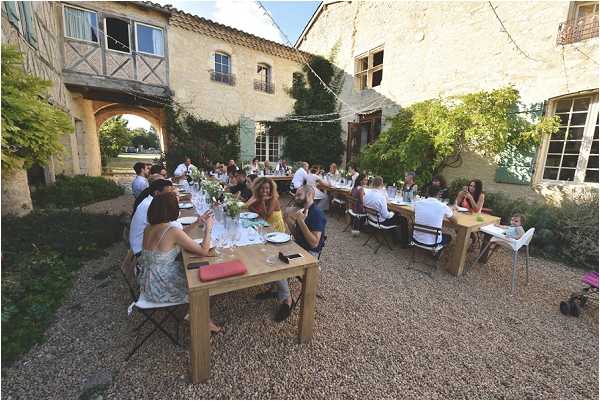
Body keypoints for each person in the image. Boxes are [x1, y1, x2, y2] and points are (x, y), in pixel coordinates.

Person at [138, 192, 222, 333]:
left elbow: (179, 235)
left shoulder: (150, 228)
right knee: (207, 282)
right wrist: (209, 228)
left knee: (196, 270)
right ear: (172, 210)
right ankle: (199, 317)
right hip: (160, 286)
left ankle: (197, 314)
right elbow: (203, 251)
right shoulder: (171, 231)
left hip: (147, 280)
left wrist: (197, 223)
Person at [260, 184, 327, 322]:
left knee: (275, 263)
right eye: (296, 195)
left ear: (309, 195)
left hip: (308, 255)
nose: (295, 198)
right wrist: (287, 219)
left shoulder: (316, 214)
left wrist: (300, 221)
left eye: (298, 195)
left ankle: (287, 299)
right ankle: (279, 289)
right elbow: (297, 234)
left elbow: (314, 243)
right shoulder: (302, 210)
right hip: (297, 247)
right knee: (267, 252)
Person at [130, 179, 204, 256]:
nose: (171, 195)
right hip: (141, 251)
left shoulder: (153, 202)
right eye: (169, 193)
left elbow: (175, 230)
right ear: (157, 193)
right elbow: (175, 228)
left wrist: (196, 223)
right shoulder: (150, 206)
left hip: (147, 246)